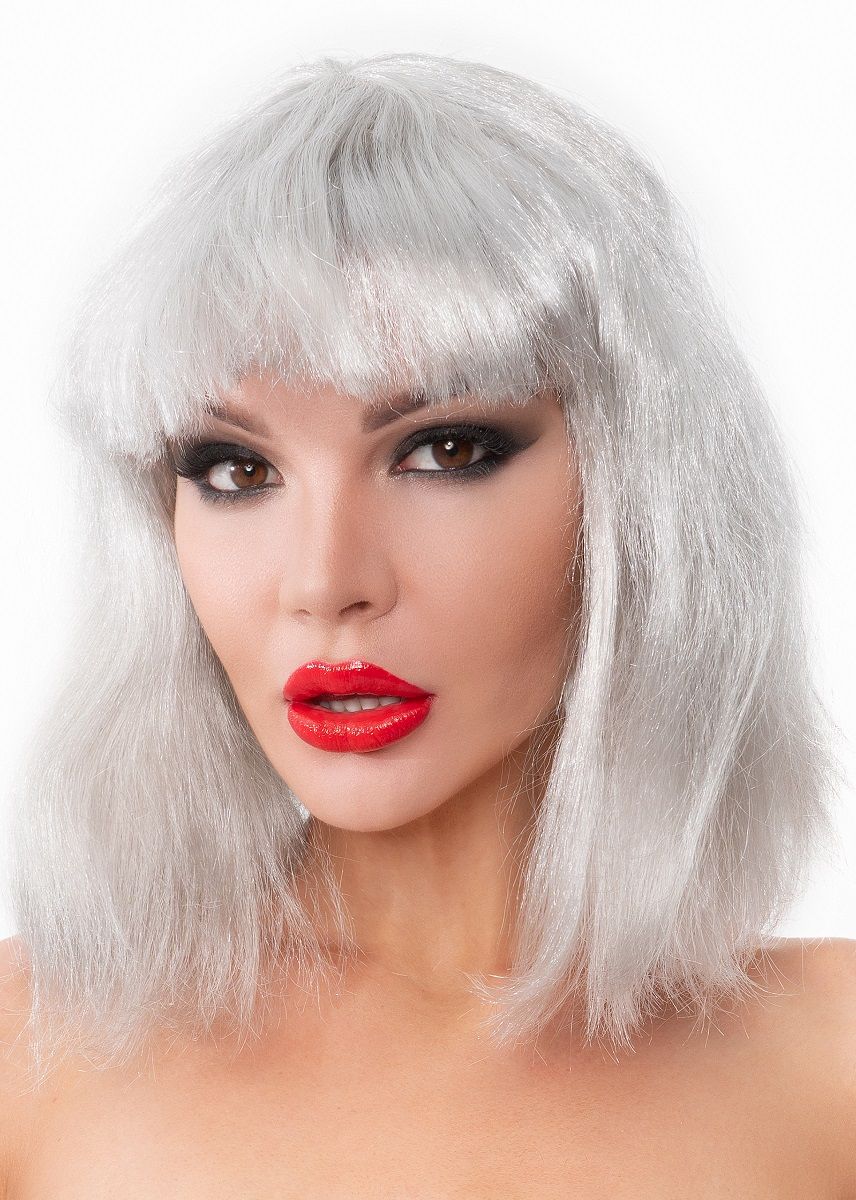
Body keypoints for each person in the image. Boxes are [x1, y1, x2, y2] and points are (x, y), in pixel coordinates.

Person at [1, 50, 854, 1195]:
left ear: (640, 489)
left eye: (444, 450)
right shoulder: (30, 1055)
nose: (324, 580)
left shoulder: (829, 1069)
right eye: (236, 469)